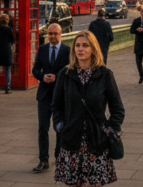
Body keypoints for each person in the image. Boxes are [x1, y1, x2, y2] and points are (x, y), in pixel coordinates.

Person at [51, 31, 125, 187]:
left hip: (96, 143)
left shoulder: (105, 75)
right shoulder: (65, 74)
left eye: (85, 45)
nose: (80, 49)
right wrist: (60, 126)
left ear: (93, 49)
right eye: (77, 45)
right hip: (71, 142)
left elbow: (118, 109)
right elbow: (56, 105)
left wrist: (109, 129)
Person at [31, 23, 70, 173]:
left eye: (55, 34)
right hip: (44, 95)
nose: (52, 36)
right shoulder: (42, 49)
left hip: (61, 96)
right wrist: (42, 76)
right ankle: (43, 160)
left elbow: (70, 70)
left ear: (60, 34)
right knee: (42, 128)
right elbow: (35, 70)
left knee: (60, 128)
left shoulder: (67, 50)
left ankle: (59, 157)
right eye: (50, 34)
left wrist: (57, 76)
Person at [0, 13, 15, 94]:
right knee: (8, 70)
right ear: (7, 20)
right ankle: (8, 87)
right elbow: (13, 40)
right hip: (7, 50)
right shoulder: (8, 29)